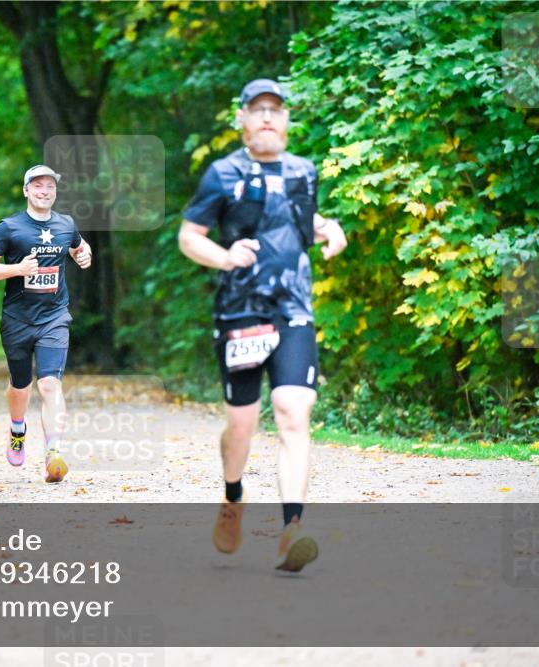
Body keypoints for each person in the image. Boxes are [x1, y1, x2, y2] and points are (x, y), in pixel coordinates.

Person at [177, 79, 347, 571]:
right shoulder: (223, 173)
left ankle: (291, 530)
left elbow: (298, 220)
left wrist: (329, 228)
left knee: (293, 410)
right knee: (242, 425)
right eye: (258, 109)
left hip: (293, 308)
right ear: (243, 119)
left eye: (276, 109)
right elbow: (189, 237)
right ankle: (233, 495)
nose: (267, 117)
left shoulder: (304, 171)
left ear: (287, 120)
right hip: (240, 312)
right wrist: (225, 256)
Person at [0, 165, 92, 483]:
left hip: (54, 317)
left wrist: (84, 256)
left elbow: (80, 248)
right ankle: (17, 429)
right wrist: (17, 269)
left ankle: (53, 452)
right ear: (26, 190)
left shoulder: (66, 224)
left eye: (50, 186)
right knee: (21, 386)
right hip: (17, 320)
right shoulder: (9, 228)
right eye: (38, 185)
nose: (44, 191)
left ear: (55, 191)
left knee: (50, 384)